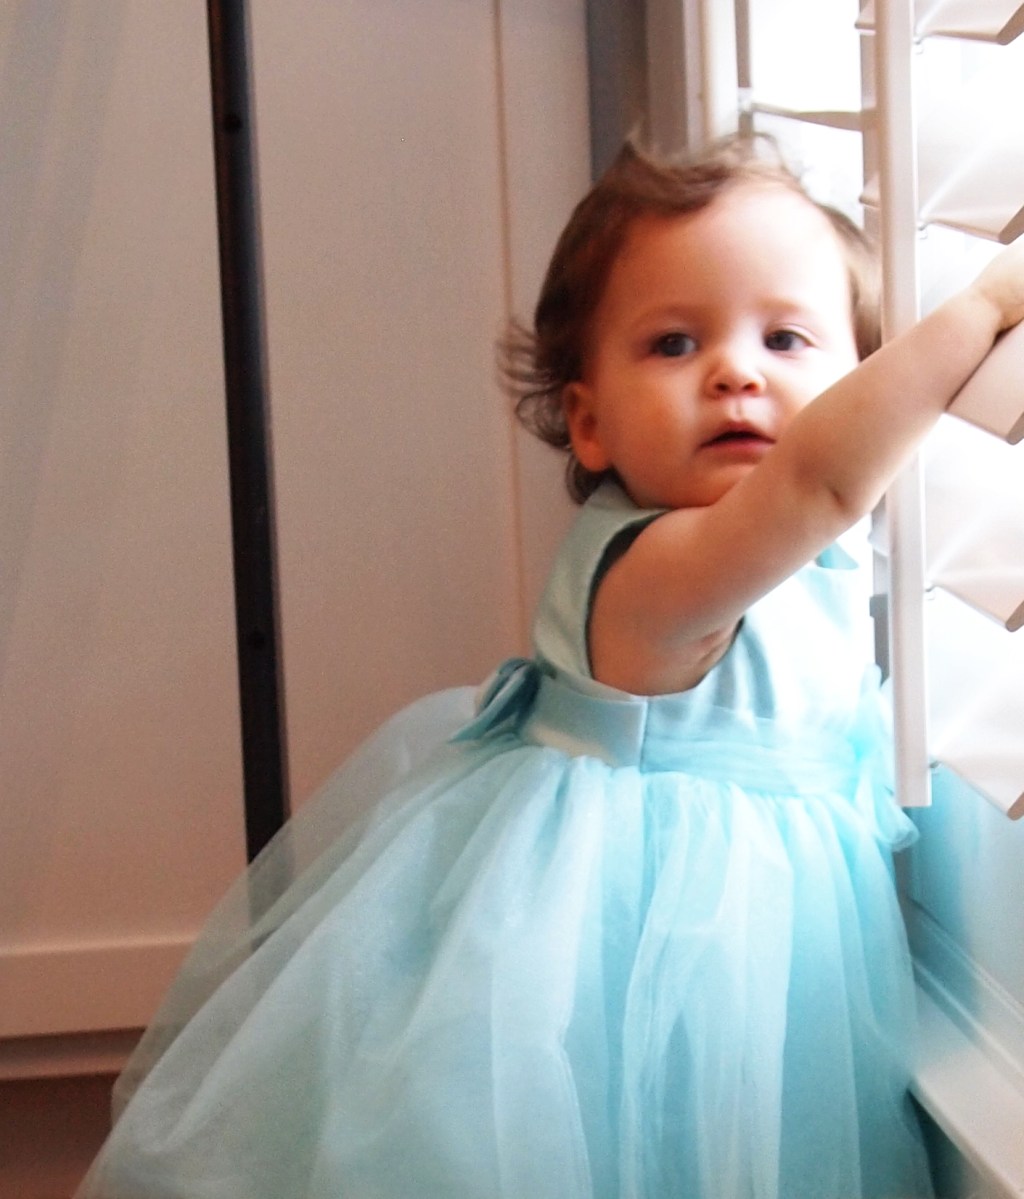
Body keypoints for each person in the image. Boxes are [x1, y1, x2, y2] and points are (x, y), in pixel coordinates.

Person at [78, 136, 1024, 1199]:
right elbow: (818, 482)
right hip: (629, 965)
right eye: (674, 343)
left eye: (786, 337)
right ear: (588, 421)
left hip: (762, 954)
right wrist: (985, 306)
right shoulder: (656, 570)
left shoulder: (798, 562)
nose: (736, 371)